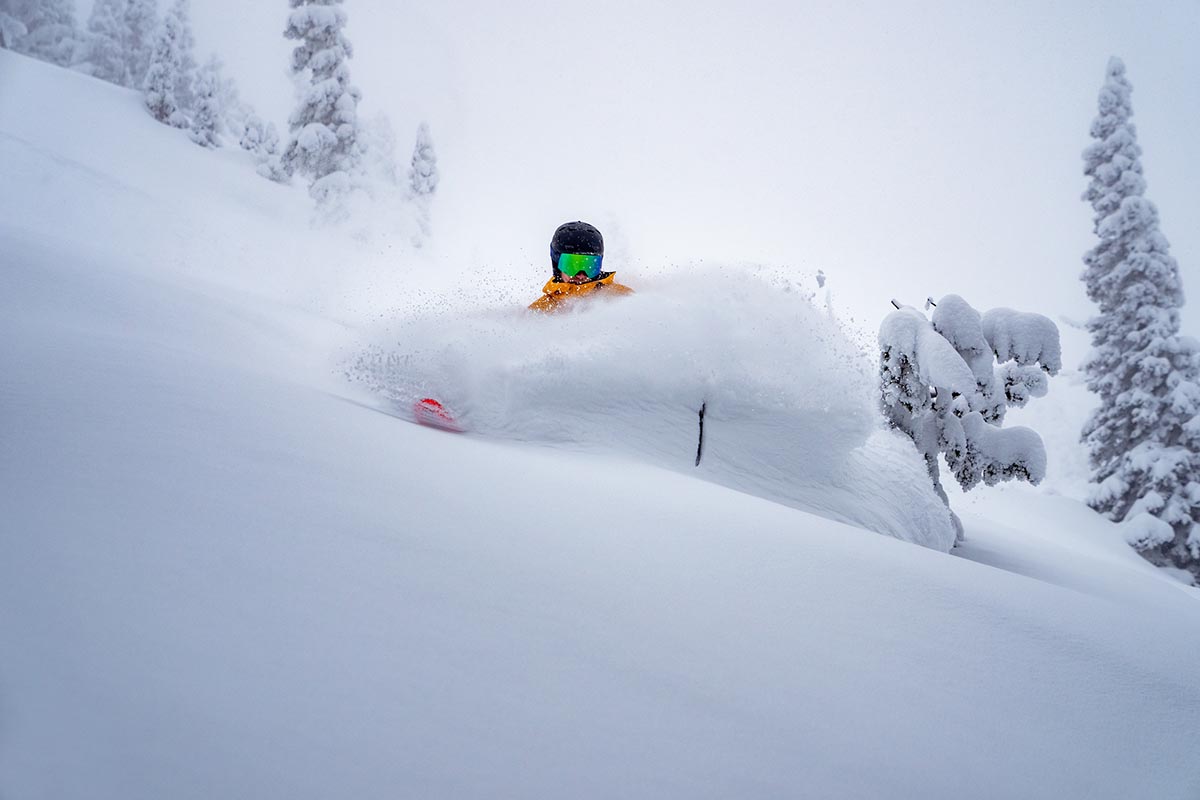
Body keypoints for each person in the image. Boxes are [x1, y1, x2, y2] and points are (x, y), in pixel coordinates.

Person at [528, 221, 634, 313]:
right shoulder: (541, 310)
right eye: (572, 266)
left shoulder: (620, 296)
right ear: (557, 265)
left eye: (589, 266)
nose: (581, 275)